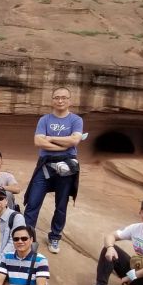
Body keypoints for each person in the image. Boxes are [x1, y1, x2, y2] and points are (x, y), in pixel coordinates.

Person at [23, 87, 84, 254]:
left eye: (64, 97)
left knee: (61, 204)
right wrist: (63, 146)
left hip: (66, 166)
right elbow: (38, 142)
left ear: (69, 100)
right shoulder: (44, 119)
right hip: (45, 164)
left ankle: (55, 237)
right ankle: (26, 237)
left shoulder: (76, 120)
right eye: (57, 97)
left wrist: (50, 138)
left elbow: (75, 140)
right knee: (33, 201)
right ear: (52, 100)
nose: (60, 100)